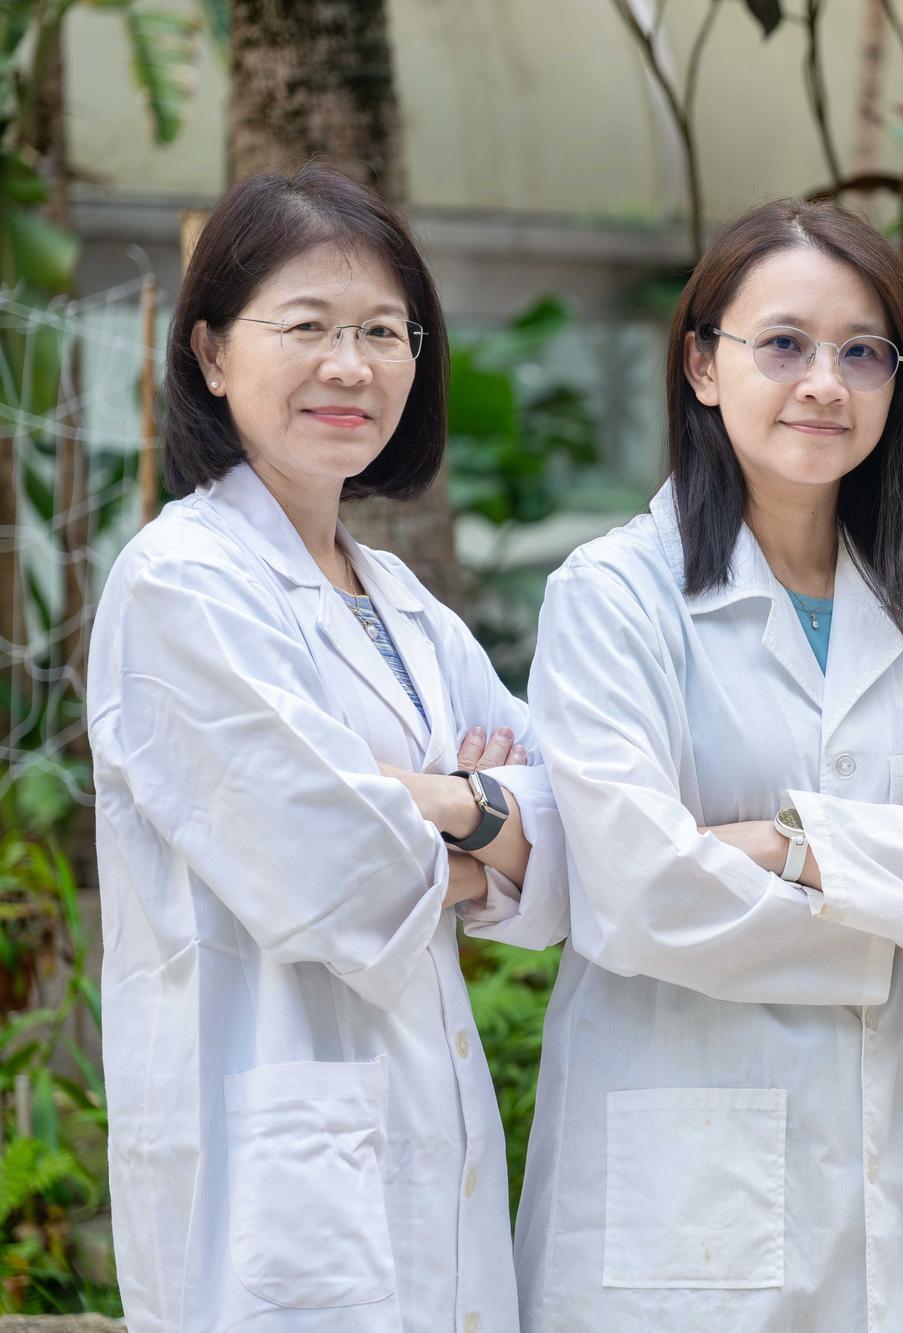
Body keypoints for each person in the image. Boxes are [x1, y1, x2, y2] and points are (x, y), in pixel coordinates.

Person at [511, 198, 903, 1333]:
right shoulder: (616, 598)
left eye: (863, 352)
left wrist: (779, 843)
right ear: (703, 366)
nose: (825, 382)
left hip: (890, 1194)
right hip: (680, 1203)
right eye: (784, 345)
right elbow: (641, 893)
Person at [88, 164, 568, 1333]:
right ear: (210, 354)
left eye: (381, 331)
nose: (349, 365)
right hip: (268, 1197)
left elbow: (572, 831)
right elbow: (329, 872)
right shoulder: (181, 585)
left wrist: (441, 805)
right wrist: (482, 816)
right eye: (306, 326)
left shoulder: (401, 602)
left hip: (427, 1167)